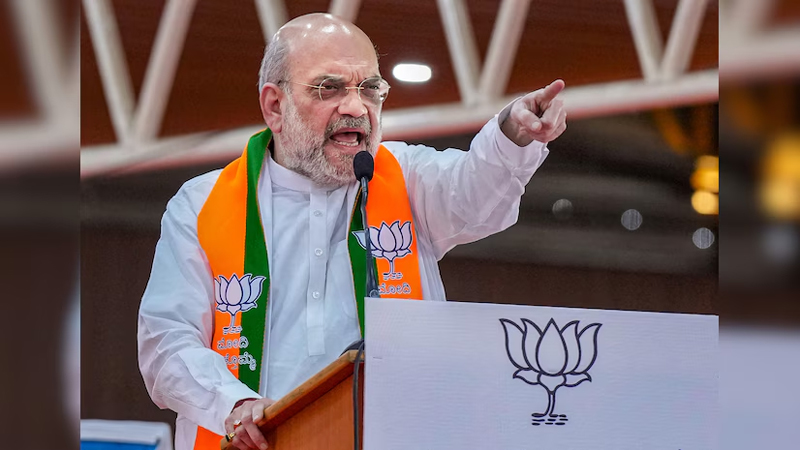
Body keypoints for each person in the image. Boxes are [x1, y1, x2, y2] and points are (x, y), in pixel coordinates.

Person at [137, 12, 566, 450]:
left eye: (370, 89)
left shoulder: (405, 178)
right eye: (330, 88)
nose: (357, 108)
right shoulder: (201, 204)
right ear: (275, 106)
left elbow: (475, 194)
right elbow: (166, 343)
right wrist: (233, 402)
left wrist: (513, 134)